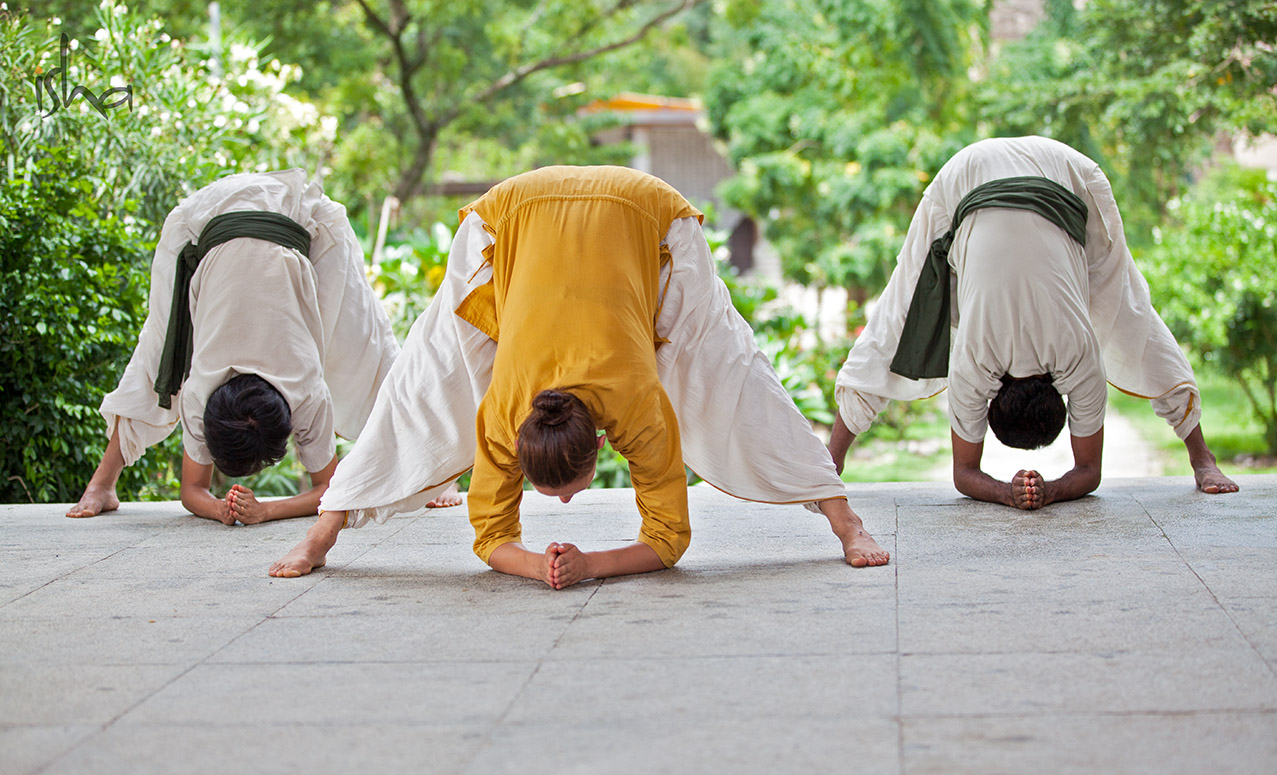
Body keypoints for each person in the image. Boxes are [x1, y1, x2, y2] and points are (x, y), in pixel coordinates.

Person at [270, 165, 889, 586]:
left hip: (647, 212)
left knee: (729, 368)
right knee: (422, 379)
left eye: (562, 492)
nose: (567, 502)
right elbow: (495, 538)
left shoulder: (638, 406)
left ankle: (846, 521)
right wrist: (544, 565)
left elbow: (667, 542)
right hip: (507, 215)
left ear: (601, 441)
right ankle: (323, 534)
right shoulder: (505, 410)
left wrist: (587, 564)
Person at [828, 136, 1239, 510]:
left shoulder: (1078, 360)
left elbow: (1082, 474)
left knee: (1131, 311)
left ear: (1059, 393)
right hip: (1009, 173)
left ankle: (830, 466)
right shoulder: (975, 365)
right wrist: (1022, 492)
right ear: (993, 397)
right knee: (898, 315)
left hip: (1059, 172)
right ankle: (1202, 458)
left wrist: (1036, 491)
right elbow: (968, 476)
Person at [66, 170, 454, 524]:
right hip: (207, 221)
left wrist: (265, 511)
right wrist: (220, 509)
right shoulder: (200, 393)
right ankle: (102, 483)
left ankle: (436, 473)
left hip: (303, 215)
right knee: (158, 354)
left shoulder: (305, 392)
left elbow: (333, 493)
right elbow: (193, 493)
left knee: (364, 343)